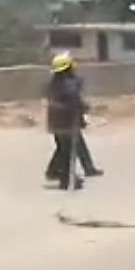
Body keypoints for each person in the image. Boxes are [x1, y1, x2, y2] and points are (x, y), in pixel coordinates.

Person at [45, 53, 103, 189]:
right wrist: (84, 109)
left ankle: (56, 172)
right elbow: (74, 102)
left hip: (56, 123)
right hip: (67, 122)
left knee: (65, 147)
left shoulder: (53, 84)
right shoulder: (69, 84)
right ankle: (66, 179)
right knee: (67, 150)